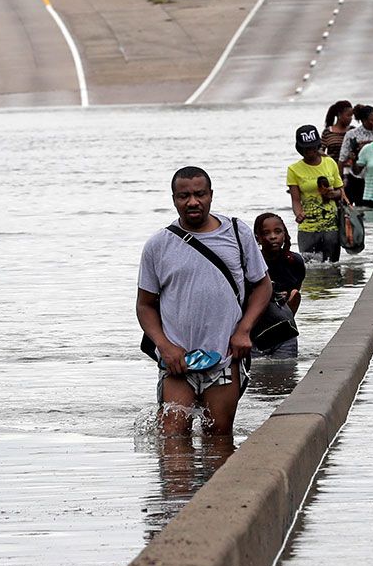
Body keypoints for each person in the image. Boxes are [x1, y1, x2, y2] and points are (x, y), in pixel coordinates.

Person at [136, 166, 271, 437]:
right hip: (177, 362)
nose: (193, 202)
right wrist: (165, 346)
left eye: (200, 194)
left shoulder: (236, 233)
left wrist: (244, 330)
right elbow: (145, 305)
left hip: (225, 357)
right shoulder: (158, 245)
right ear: (174, 199)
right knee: (173, 439)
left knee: (219, 438)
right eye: (184, 196)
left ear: (211, 195)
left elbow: (262, 286)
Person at [287, 124, 349, 263]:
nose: (311, 151)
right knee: (311, 269)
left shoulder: (330, 163)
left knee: (332, 267)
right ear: (300, 149)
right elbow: (296, 200)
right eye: (306, 148)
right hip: (307, 228)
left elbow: (342, 192)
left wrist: (334, 194)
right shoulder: (293, 170)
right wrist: (298, 214)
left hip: (331, 226)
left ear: (318, 145)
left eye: (313, 147)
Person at [252, 212, 306, 359]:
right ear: (257, 237)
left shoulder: (294, 261)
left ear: (285, 234)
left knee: (285, 369)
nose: (273, 236)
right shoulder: (252, 263)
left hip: (284, 328)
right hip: (256, 330)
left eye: (277, 231)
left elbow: (295, 295)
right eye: (266, 233)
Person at [338, 105, 373, 206]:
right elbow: (342, 159)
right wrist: (339, 183)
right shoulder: (352, 134)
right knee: (359, 211)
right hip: (357, 180)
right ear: (364, 120)